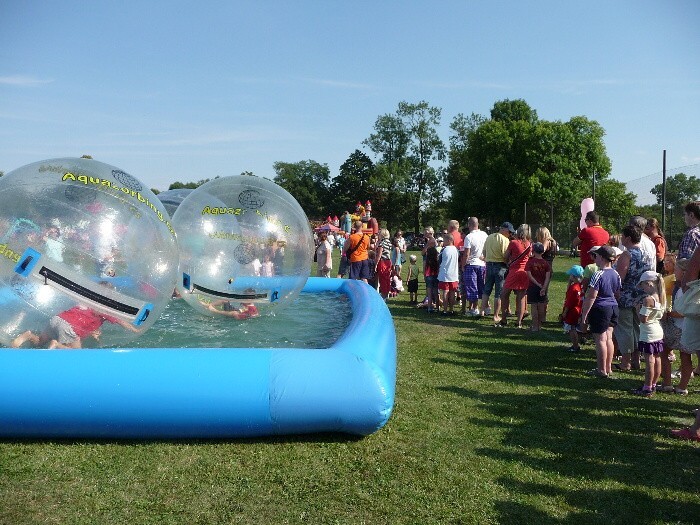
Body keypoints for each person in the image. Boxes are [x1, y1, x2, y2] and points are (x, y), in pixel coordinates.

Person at [11, 302, 142, 349]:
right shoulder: (105, 309)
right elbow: (121, 321)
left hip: (57, 319)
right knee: (76, 354)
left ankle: (28, 335)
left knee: (39, 342)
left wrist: (94, 333)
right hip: (69, 327)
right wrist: (135, 330)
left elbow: (88, 321)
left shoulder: (86, 302)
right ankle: (56, 344)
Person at [580, 245, 622, 378]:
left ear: (602, 258)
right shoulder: (616, 273)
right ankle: (608, 368)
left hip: (601, 308)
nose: (595, 258)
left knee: (600, 340)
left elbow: (591, 296)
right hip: (613, 307)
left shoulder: (598, 274)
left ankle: (601, 369)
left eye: (597, 256)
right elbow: (618, 293)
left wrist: (584, 314)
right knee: (609, 338)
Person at [614, 225, 652, 372]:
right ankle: (636, 360)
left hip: (626, 296)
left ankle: (625, 362)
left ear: (628, 238)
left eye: (623, 236)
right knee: (637, 328)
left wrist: (615, 292)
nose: (621, 238)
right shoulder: (645, 254)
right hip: (641, 296)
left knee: (624, 328)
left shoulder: (626, 255)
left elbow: (620, 277)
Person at [630, 271, 666, 397]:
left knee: (649, 360)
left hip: (648, 332)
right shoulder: (661, 296)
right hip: (658, 331)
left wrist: (637, 308)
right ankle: (654, 384)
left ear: (649, 284)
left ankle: (647, 387)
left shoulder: (648, 299)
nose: (643, 288)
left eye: (643, 285)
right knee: (657, 358)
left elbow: (643, 319)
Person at [658, 256, 685, 392]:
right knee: (685, 357)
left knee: (665, 352)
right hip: (681, 325)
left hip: (678, 325)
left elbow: (683, 311)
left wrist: (669, 313)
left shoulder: (682, 289)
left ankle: (669, 383)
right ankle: (680, 386)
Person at [499, 224, 531, 328]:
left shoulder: (513, 243)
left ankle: (504, 319)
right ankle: (519, 321)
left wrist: (509, 261)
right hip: (524, 272)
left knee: (504, 294)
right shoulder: (529, 244)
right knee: (521, 297)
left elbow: (506, 256)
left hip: (514, 271)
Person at [481, 222, 514, 325]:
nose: (510, 234)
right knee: (498, 292)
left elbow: (484, 252)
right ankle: (496, 315)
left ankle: (482, 311)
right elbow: (505, 256)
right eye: (509, 232)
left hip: (489, 265)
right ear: (504, 230)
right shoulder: (505, 240)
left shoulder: (489, 237)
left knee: (487, 290)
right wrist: (508, 263)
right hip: (500, 266)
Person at [461, 216, 488, 316]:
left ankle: (474, 308)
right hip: (482, 263)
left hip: (471, 264)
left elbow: (466, 253)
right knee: (482, 286)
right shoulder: (484, 234)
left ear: (469, 225)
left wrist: (463, 265)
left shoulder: (469, 237)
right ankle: (485, 307)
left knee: (472, 287)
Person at [525, 242, 551, 332]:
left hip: (533, 287)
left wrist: (538, 284)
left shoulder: (530, 262)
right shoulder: (546, 263)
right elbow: (548, 277)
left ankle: (535, 326)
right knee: (541, 306)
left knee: (534, 306)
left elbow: (529, 276)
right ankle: (539, 325)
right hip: (543, 287)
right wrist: (544, 287)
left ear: (533, 251)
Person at [561, 265, 585, 352]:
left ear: (573, 276)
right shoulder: (581, 286)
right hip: (579, 309)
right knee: (575, 328)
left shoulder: (573, 288)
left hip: (572, 311)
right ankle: (577, 343)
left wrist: (565, 312)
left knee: (571, 329)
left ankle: (575, 346)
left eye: (570, 275)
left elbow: (569, 302)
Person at [437, 234, 460, 316]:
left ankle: (445, 310)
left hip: (445, 274)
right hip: (454, 274)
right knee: (452, 292)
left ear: (449, 240)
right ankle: (451, 309)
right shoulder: (456, 250)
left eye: (444, 240)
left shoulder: (444, 250)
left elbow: (439, 260)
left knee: (445, 292)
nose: (443, 242)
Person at [375, 228, 393, 299]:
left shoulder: (381, 243)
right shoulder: (389, 242)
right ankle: (387, 293)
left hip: (382, 262)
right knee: (387, 278)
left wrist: (376, 264)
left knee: (382, 279)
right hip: (388, 261)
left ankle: (383, 294)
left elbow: (379, 255)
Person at [424, 246, 440, 313]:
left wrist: (425, 277)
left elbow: (424, 270)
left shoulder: (426, 261)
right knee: (436, 293)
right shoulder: (437, 261)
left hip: (428, 277)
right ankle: (437, 307)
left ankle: (430, 308)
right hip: (436, 276)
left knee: (429, 294)